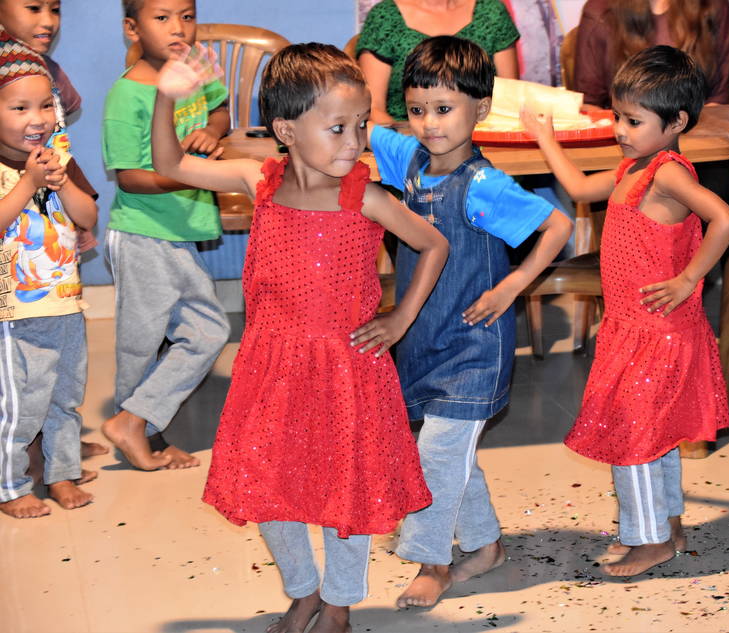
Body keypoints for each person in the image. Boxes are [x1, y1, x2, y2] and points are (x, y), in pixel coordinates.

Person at [151, 42, 447, 633]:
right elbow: (170, 164)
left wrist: (399, 319)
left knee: (346, 490)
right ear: (286, 130)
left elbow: (433, 244)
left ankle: (338, 600)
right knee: (268, 483)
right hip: (272, 366)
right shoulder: (256, 180)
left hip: (347, 367)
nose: (354, 142)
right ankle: (303, 590)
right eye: (337, 128)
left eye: (361, 126)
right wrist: (165, 95)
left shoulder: (363, 195)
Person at [368, 35, 573, 607]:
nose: (429, 124)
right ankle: (486, 546)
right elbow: (357, 125)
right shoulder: (405, 158)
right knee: (450, 452)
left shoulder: (484, 186)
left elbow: (557, 227)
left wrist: (513, 284)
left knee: (435, 452)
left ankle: (433, 562)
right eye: (415, 110)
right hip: (420, 337)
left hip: (473, 348)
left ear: (480, 110)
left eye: (444, 109)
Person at [522, 45, 729, 576]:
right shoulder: (634, 169)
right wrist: (547, 139)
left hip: (657, 332)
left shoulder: (668, 175)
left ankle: (649, 539)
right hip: (634, 328)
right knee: (655, 432)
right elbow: (576, 188)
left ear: (677, 121)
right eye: (618, 116)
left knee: (633, 436)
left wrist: (690, 278)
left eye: (633, 120)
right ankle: (667, 522)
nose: (620, 128)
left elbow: (726, 220)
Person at [99, 0, 231, 471]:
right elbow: (131, 178)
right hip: (141, 235)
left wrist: (212, 135)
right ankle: (140, 433)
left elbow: (220, 109)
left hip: (179, 233)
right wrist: (194, 173)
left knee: (207, 331)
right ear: (132, 28)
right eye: (162, 18)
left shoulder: (195, 67)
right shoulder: (127, 95)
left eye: (187, 16)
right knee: (141, 344)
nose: (178, 28)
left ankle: (135, 422)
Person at [1, 0, 108, 470]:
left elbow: (60, 150)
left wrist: (67, 194)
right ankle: (18, 461)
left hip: (57, 281)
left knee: (60, 376)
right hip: (13, 293)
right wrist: (28, 183)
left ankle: (57, 452)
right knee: (18, 385)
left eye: (55, 8)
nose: (47, 21)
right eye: (32, 6)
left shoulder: (49, 71)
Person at [357, 0, 520, 122]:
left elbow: (509, 102)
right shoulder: (385, 17)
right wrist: (406, 147)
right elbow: (372, 108)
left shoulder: (492, 13)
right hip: (409, 143)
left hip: (485, 144)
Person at [574, 0, 729, 109]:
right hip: (626, 144)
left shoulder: (712, 5)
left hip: (699, 141)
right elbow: (588, 106)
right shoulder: (599, 12)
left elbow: (719, 100)